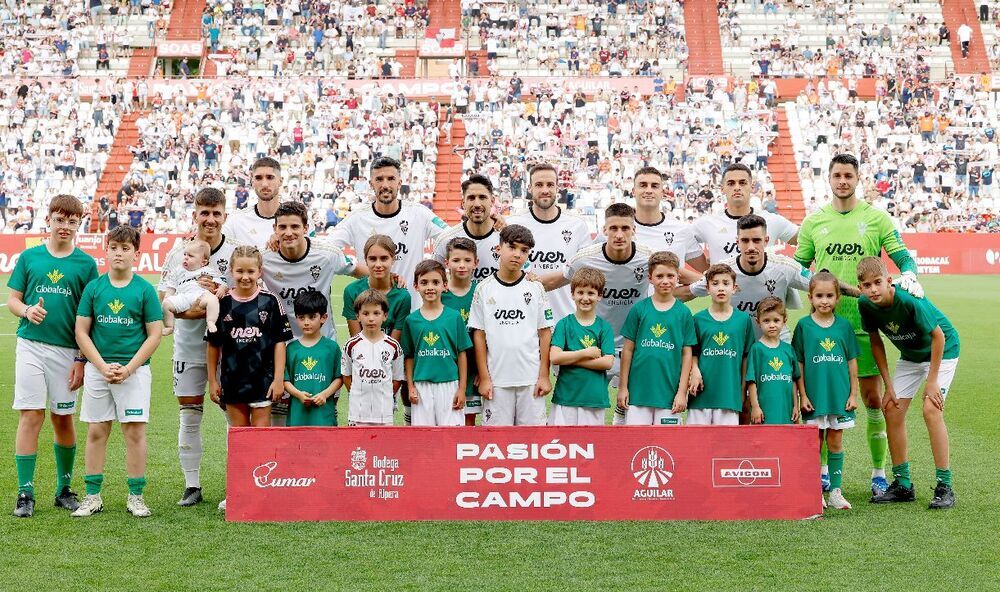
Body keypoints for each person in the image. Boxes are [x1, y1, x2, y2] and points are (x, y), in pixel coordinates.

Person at [795, 153, 921, 497]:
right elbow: (798, 267)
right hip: (824, 325)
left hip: (865, 326)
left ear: (857, 178)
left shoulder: (876, 218)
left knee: (871, 400)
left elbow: (903, 255)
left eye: (848, 175)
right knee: (819, 399)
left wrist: (909, 274)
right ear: (829, 179)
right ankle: (822, 472)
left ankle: (878, 473)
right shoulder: (814, 221)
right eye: (837, 175)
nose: (843, 181)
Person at [9, 195, 98, 517]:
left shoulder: (86, 264)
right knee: (31, 415)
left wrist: (81, 359)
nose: (65, 227)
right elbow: (14, 301)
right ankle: (25, 493)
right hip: (30, 346)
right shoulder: (30, 258)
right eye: (60, 220)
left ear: (79, 225)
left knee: (62, 417)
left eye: (72, 222)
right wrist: (27, 310)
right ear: (49, 219)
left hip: (67, 351)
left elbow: (88, 314)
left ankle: (63, 489)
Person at [72, 225, 163, 518]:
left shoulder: (145, 290)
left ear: (136, 254)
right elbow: (81, 332)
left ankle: (135, 496)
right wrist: (99, 366)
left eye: (126, 248)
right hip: (99, 371)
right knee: (98, 430)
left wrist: (128, 369)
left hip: (134, 373)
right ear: (106, 250)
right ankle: (92, 496)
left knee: (134, 432)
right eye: (114, 247)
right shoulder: (94, 288)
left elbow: (154, 334)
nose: (119, 253)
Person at [157, 187, 240, 508]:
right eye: (204, 212)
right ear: (195, 214)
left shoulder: (236, 251)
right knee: (189, 416)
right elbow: (165, 303)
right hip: (189, 349)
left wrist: (217, 298)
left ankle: (238, 482)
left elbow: (246, 293)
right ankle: (192, 486)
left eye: (216, 213)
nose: (210, 219)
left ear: (224, 216)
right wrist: (203, 308)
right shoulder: (178, 253)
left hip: (230, 350)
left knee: (234, 416)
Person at [857, 257, 959, 509]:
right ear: (860, 288)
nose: (873, 290)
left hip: (943, 350)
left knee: (931, 409)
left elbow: (939, 336)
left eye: (877, 283)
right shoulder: (865, 304)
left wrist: (932, 382)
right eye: (866, 285)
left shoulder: (908, 299)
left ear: (889, 281)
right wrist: (888, 383)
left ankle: (944, 486)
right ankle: (903, 485)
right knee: (891, 408)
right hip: (911, 356)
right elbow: (876, 342)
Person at [541, 203, 652, 425]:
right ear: (604, 229)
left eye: (625, 228)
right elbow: (558, 279)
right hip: (595, 341)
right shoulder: (585, 258)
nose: (619, 234)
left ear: (634, 230)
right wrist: (523, 284)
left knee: (632, 408)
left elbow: (674, 275)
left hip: (633, 344)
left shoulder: (648, 258)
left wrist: (712, 281)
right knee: (584, 398)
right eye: (613, 228)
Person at [680, 215, 857, 340]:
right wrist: (655, 299)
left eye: (756, 240)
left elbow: (825, 284)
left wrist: (860, 293)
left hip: (778, 342)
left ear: (766, 240)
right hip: (740, 344)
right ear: (737, 242)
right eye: (745, 240)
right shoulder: (724, 271)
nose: (751, 246)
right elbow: (689, 292)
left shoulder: (784, 266)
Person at [330, 156, 448, 306]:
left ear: (400, 182)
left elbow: (451, 238)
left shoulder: (419, 214)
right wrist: (354, 268)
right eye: (379, 179)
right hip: (372, 316)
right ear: (371, 184)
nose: (385, 185)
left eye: (391, 178)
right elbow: (327, 250)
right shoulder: (356, 218)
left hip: (412, 314)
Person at [468, 225, 554, 426]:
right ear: (499, 249)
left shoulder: (535, 287)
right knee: (496, 443)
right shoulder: (484, 288)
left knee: (533, 442)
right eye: (512, 247)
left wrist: (544, 375)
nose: (517, 254)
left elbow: (544, 333)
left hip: (531, 381)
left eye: (524, 251)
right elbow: (479, 335)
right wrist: (485, 377)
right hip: (497, 382)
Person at [207, 245, 292, 435]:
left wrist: (278, 379)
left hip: (262, 381)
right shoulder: (221, 303)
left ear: (260, 272)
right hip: (232, 382)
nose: (245, 276)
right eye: (240, 271)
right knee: (240, 439)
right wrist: (212, 381)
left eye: (251, 271)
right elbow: (213, 344)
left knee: (261, 439)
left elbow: (280, 342)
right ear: (231, 270)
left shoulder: (270, 301)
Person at [793, 272, 860, 511]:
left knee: (835, 440)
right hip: (815, 396)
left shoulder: (844, 326)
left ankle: (836, 492)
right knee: (814, 442)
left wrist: (853, 394)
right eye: (819, 296)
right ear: (810, 297)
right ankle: (814, 491)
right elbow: (798, 363)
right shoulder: (803, 326)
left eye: (829, 296)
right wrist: (803, 395)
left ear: (838, 298)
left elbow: (852, 362)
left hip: (839, 395)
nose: (824, 301)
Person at [262, 201, 362, 342]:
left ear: (306, 228)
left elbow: (356, 270)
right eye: (283, 227)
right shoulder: (264, 258)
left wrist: (390, 276)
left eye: (295, 226)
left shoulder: (327, 254)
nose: (288, 233)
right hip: (283, 345)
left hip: (322, 344)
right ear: (275, 228)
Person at [618, 252, 695, 425]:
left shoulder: (683, 313)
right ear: (650, 278)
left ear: (678, 277)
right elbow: (628, 350)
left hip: (669, 397)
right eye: (659, 276)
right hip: (638, 395)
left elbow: (687, 354)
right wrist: (623, 387)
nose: (665, 281)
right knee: (637, 445)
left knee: (668, 446)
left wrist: (682, 392)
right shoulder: (639, 309)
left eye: (670, 276)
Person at [508, 163, 593, 321]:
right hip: (524, 321)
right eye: (539, 185)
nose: (545, 190)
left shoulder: (577, 225)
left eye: (550, 185)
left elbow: (584, 274)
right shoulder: (513, 223)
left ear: (557, 188)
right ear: (530, 188)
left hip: (566, 321)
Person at [401, 260, 472, 426]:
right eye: (424, 282)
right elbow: (409, 357)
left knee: (451, 437)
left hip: (449, 385)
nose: (430, 287)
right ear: (416, 286)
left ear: (444, 285)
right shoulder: (411, 320)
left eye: (435, 282)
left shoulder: (454, 317)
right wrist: (411, 386)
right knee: (424, 439)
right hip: (421, 386)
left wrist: (461, 389)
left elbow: (462, 354)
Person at [687, 264, 756, 425]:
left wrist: (742, 390)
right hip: (700, 396)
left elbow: (746, 357)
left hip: (729, 396)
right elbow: (692, 352)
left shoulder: (743, 320)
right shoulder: (698, 319)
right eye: (715, 283)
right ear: (707, 288)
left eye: (726, 283)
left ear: (734, 288)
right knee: (695, 446)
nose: (721, 288)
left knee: (725, 448)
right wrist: (695, 370)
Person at [692, 163, 798, 267]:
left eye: (742, 183)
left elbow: (807, 240)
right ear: (722, 188)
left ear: (752, 187)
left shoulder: (772, 221)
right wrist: (704, 272)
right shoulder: (707, 223)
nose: (737, 187)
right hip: (722, 284)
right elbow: (680, 240)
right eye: (731, 183)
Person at [548, 268, 615, 426]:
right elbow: (555, 357)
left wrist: (570, 358)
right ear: (572, 294)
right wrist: (587, 352)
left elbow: (607, 362)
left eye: (591, 293)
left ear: (599, 295)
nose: (585, 298)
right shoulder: (564, 324)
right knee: (563, 446)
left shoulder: (604, 327)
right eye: (580, 292)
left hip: (594, 399)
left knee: (591, 447)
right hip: (566, 397)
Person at [624, 166, 707, 273]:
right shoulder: (616, 231)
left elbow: (707, 272)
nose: (648, 190)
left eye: (654, 186)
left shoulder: (681, 229)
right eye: (643, 185)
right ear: (634, 191)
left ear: (663, 192)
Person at [342, 290, 405, 426]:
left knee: (383, 447)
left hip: (384, 414)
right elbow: (347, 376)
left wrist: (385, 395)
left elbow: (397, 378)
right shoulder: (351, 345)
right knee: (357, 447)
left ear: (385, 316)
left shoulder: (393, 346)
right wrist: (358, 393)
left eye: (376, 313)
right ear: (357, 316)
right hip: (357, 413)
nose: (371, 318)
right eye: (365, 313)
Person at [284, 291, 343, 428]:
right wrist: (298, 394)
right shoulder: (291, 348)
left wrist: (324, 394)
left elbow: (339, 378)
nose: (306, 322)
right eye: (301, 317)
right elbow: (285, 380)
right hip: (298, 416)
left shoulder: (332, 347)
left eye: (312, 317)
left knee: (326, 448)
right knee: (298, 448)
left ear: (323, 318)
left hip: (323, 415)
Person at [441, 237, 482, 425]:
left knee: (467, 422)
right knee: (443, 420)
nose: (462, 265)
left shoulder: (482, 291)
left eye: (467, 260)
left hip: (474, 368)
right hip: (445, 368)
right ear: (446, 262)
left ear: (476, 263)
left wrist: (483, 371)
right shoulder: (439, 293)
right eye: (456, 260)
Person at [432, 174, 502, 281]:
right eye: (471, 198)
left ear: (492, 201)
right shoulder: (445, 240)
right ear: (463, 203)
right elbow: (433, 280)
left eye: (482, 197)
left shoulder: (506, 238)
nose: (477, 204)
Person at [746, 297, 803, 425]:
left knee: (786, 443)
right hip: (764, 412)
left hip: (786, 410)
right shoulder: (756, 349)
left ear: (784, 322)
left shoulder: (788, 349)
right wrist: (755, 407)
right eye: (766, 321)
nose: (772, 325)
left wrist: (795, 405)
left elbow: (794, 379)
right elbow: (752, 381)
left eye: (776, 320)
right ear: (758, 322)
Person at [160, 240, 222, 336]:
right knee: (166, 304)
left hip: (201, 296)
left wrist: (222, 287)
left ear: (203, 262)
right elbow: (171, 287)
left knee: (213, 300)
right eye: (185, 254)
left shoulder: (207, 270)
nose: (186, 258)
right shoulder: (178, 270)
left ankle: (211, 321)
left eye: (191, 256)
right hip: (183, 297)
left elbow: (221, 280)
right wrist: (168, 297)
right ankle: (169, 326)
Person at [222, 157, 285, 249]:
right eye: (258, 178)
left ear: (280, 181)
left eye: (270, 177)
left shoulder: (299, 221)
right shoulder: (236, 221)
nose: (264, 184)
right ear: (252, 182)